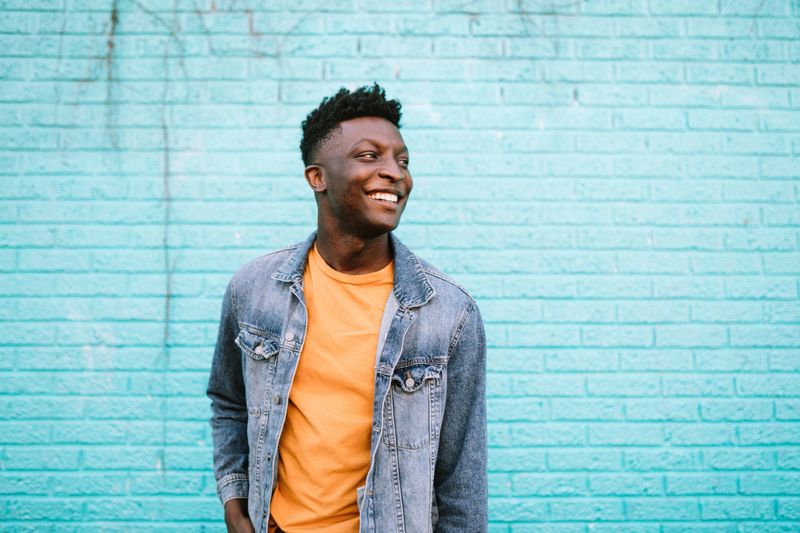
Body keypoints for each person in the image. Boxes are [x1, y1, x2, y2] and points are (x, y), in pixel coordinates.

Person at [206, 83, 487, 533]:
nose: (394, 172)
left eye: (402, 160)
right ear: (317, 177)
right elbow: (229, 402)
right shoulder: (254, 290)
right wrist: (235, 500)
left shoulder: (449, 313)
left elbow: (462, 477)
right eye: (369, 155)